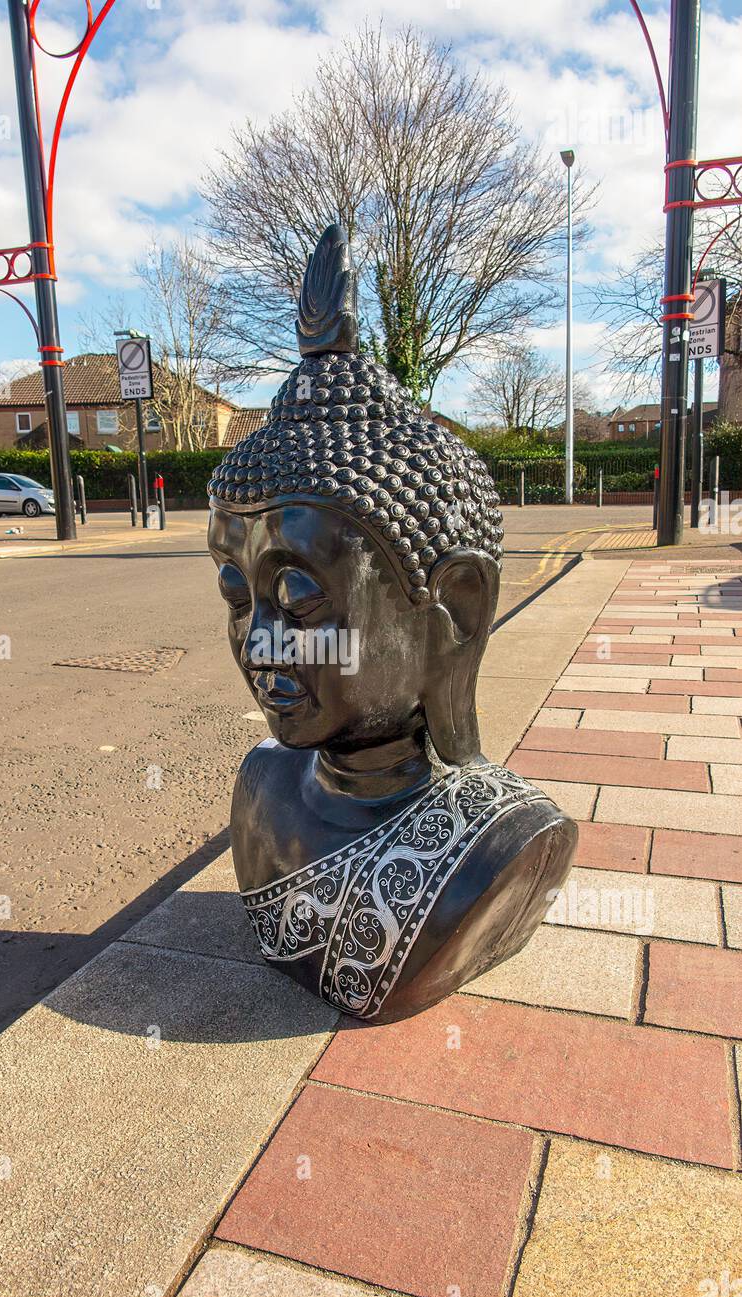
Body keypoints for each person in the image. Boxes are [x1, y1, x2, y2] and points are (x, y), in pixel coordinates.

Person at [207, 225, 576, 1024]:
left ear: (456, 612)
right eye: (238, 595)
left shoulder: (505, 841)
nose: (260, 642)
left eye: (301, 602)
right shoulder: (262, 789)